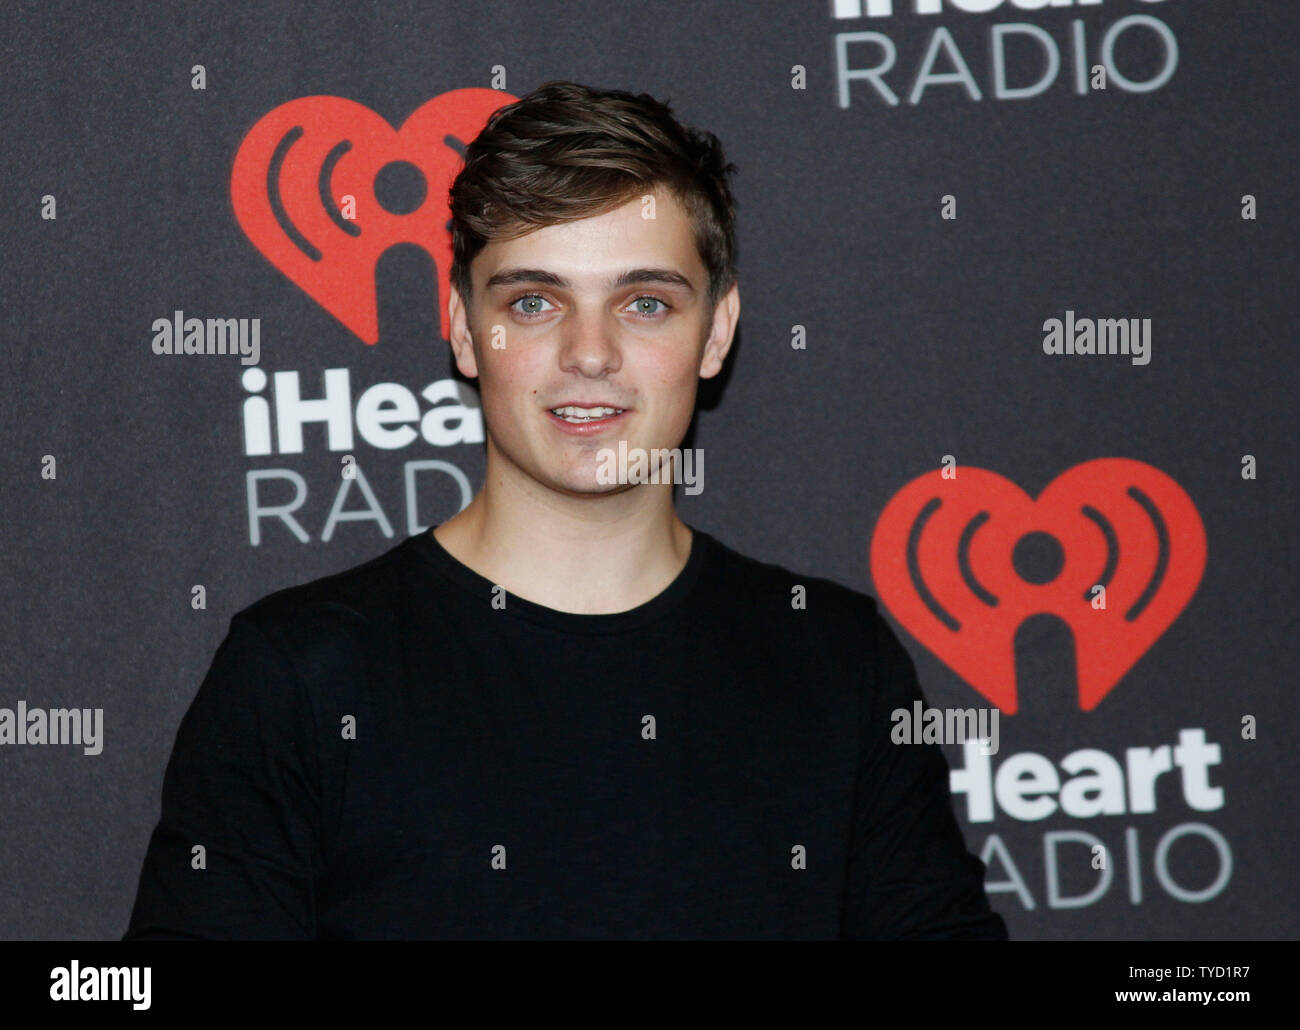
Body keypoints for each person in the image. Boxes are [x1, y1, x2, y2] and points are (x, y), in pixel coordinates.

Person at [122, 80, 1007, 940]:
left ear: (719, 331)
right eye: (535, 303)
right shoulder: (298, 674)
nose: (591, 353)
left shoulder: (835, 660)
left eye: (646, 302)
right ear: (466, 329)